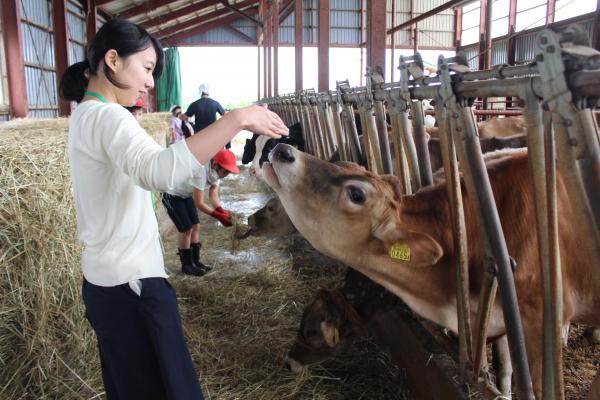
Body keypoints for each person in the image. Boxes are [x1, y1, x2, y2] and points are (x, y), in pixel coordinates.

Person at [59, 18, 287, 400]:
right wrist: (237, 118)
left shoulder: (85, 114)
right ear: (112, 60)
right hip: (131, 288)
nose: (150, 82)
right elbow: (160, 172)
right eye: (146, 69)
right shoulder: (108, 116)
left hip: (108, 283)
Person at [161, 148, 238, 277]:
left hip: (185, 195)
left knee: (196, 226)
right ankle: (187, 265)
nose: (226, 175)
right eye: (225, 171)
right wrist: (218, 216)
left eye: (228, 172)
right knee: (186, 229)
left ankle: (195, 261)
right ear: (215, 165)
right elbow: (199, 203)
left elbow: (214, 196)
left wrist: (221, 210)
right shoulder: (201, 171)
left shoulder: (216, 173)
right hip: (171, 194)